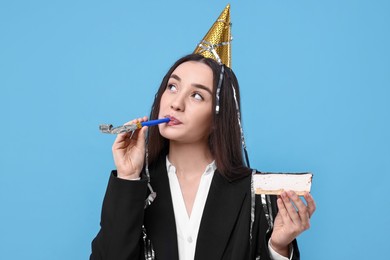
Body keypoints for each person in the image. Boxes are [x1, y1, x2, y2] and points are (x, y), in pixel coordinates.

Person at [90, 5, 316, 260]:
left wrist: (278, 248)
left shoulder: (255, 194)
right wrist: (128, 177)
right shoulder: (136, 186)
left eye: (197, 95)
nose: (176, 103)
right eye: (173, 87)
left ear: (218, 118)